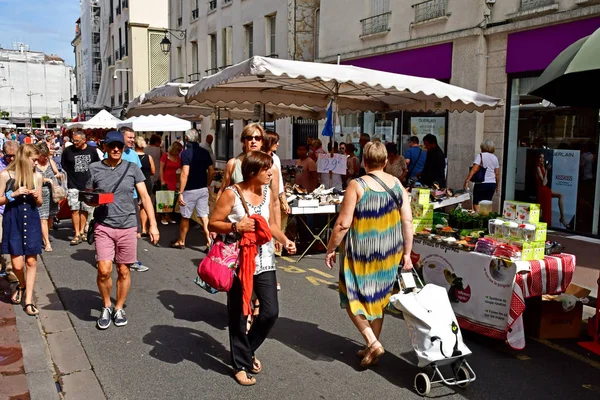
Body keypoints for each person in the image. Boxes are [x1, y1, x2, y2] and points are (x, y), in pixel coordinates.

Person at [208, 151, 296, 386]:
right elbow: (213, 222)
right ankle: (240, 364)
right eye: (266, 169)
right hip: (238, 261)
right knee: (239, 313)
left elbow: (272, 225)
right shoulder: (231, 194)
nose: (270, 172)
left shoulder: (267, 193)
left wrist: (285, 240)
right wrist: (237, 225)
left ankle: (245, 350)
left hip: (264, 259)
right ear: (253, 172)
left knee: (270, 311)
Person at [325, 141, 414, 368]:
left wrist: (331, 248)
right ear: (385, 162)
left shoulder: (357, 185)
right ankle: (371, 345)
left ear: (364, 162)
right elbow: (407, 221)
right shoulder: (397, 185)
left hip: (361, 254)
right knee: (378, 300)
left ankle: (373, 343)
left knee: (351, 297)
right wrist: (407, 253)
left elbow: (343, 224)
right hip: (389, 253)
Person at [87, 131, 159, 330]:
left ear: (124, 147)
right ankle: (106, 305)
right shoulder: (95, 168)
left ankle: (118, 307)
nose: (116, 149)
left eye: (119, 146)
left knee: (123, 270)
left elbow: (145, 197)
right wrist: (93, 200)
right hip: (104, 224)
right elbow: (87, 195)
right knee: (104, 270)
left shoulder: (132, 168)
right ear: (105, 147)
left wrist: (152, 224)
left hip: (127, 225)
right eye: (112, 146)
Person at [0, 144, 44, 315]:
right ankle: (22, 284)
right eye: (33, 160)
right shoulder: (5, 175)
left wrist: (37, 196)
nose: (35, 163)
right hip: (13, 220)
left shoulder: (37, 176)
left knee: (31, 262)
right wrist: (14, 194)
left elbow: (39, 203)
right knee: (17, 265)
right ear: (24, 158)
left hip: (31, 220)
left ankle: (28, 300)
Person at [216, 123, 281, 221]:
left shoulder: (272, 168)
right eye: (250, 138)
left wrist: (277, 233)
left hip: (263, 225)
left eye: (257, 138)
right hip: (238, 225)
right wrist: (217, 222)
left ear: (262, 141)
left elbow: (275, 203)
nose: (253, 141)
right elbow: (222, 192)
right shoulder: (233, 164)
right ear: (244, 141)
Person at [171, 129, 214, 249]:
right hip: (202, 188)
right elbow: (211, 170)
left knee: (185, 216)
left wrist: (180, 192)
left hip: (190, 189)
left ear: (186, 139)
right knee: (204, 216)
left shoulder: (185, 153)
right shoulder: (205, 152)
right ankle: (209, 241)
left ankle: (181, 241)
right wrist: (208, 183)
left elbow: (185, 173)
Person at [61, 131, 100, 245]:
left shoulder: (92, 151)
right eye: (73, 140)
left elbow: (96, 165)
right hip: (73, 184)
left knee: (85, 209)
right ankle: (77, 233)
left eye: (77, 140)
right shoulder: (68, 151)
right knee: (74, 208)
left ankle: (82, 231)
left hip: (88, 185)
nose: (74, 142)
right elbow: (64, 164)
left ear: (84, 140)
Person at [117, 127, 147, 272]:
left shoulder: (134, 154)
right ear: (121, 137)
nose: (132, 140)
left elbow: (139, 178)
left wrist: (142, 197)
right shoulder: (112, 153)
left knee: (134, 229)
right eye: (129, 137)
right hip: (116, 199)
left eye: (133, 137)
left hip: (132, 197)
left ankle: (131, 259)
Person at [262, 131, 290, 255]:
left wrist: (283, 200)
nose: (278, 144)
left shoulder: (276, 158)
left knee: (277, 219)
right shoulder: (258, 158)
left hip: (274, 198)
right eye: (275, 141)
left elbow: (279, 184)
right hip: (261, 199)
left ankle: (276, 243)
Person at [35, 142, 62, 252]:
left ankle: (43, 235)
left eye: (46, 156)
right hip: (41, 193)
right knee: (43, 219)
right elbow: (32, 177)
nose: (45, 158)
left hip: (52, 194)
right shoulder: (34, 163)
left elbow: (57, 172)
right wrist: (46, 179)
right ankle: (46, 242)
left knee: (50, 217)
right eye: (42, 156)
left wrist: (59, 175)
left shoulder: (50, 161)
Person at [0, 141, 19, 286]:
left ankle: (11, 269)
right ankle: (9, 269)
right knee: (2, 239)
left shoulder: (21, 166)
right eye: (8, 156)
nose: (11, 159)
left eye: (14, 156)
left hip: (15, 210)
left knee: (10, 240)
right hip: (1, 209)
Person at [464, 139, 500, 211]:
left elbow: (474, 169)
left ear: (483, 147)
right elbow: (497, 174)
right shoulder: (495, 158)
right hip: (492, 184)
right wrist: (497, 185)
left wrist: (467, 181)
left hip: (481, 184)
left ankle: (479, 219)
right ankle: (485, 220)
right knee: (487, 204)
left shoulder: (480, 156)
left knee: (476, 203)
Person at [536, 152, 569, 228]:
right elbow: (544, 183)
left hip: (545, 189)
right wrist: (547, 171)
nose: (542, 159)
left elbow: (545, 181)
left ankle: (562, 218)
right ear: (538, 159)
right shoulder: (538, 167)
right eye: (540, 157)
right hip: (541, 190)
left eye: (543, 158)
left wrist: (546, 170)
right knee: (559, 195)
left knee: (561, 195)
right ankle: (561, 219)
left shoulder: (543, 167)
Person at [134, 136, 155, 237]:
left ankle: (137, 229)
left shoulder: (132, 157)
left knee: (136, 205)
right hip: (146, 182)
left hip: (135, 183)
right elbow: (153, 171)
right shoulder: (148, 157)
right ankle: (144, 228)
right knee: (144, 205)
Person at [159, 141, 183, 224]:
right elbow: (161, 168)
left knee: (172, 199)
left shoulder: (178, 158)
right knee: (164, 198)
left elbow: (182, 168)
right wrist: (162, 180)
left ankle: (168, 216)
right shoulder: (165, 156)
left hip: (173, 179)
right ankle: (163, 217)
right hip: (166, 179)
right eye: (178, 150)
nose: (179, 152)